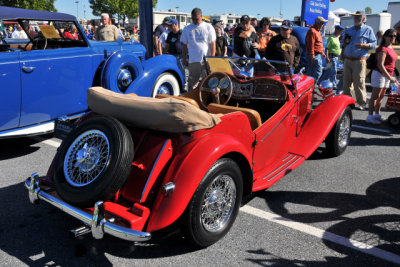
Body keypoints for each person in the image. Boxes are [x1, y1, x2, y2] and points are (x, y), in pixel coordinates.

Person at [341, 11, 377, 110]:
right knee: (346, 82)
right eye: (355, 17)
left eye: (359, 17)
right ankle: (347, 102)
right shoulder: (349, 30)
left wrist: (364, 45)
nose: (356, 19)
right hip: (348, 59)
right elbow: (342, 44)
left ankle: (362, 103)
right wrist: (344, 42)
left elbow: (374, 43)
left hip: (359, 60)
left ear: (364, 19)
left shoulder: (368, 29)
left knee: (359, 82)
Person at [366, 29, 399, 124]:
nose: (393, 38)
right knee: (375, 96)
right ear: (385, 36)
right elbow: (380, 65)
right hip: (380, 74)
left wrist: (389, 76)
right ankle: (370, 116)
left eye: (395, 36)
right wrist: (389, 76)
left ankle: (377, 114)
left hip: (387, 75)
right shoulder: (383, 49)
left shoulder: (391, 48)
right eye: (391, 36)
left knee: (381, 96)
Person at [181, 8, 216, 91]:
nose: (194, 20)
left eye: (196, 19)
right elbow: (184, 45)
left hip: (206, 60)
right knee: (192, 83)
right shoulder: (187, 28)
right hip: (193, 60)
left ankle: (207, 100)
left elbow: (212, 44)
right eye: (193, 19)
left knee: (208, 82)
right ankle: (191, 99)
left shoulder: (208, 27)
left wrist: (212, 60)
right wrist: (184, 58)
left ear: (201, 16)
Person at [306, 16, 327, 84]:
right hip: (314, 55)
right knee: (316, 72)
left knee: (315, 72)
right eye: (322, 23)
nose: (323, 25)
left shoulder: (318, 32)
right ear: (318, 23)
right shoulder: (312, 31)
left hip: (317, 55)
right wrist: (312, 56)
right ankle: (311, 85)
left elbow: (318, 44)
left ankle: (311, 86)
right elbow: (310, 44)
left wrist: (322, 53)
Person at [323, 25, 344, 90]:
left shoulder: (337, 37)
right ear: (336, 30)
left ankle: (320, 82)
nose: (341, 32)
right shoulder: (331, 38)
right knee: (333, 71)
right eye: (340, 30)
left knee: (329, 71)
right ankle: (334, 84)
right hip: (331, 57)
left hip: (335, 57)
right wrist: (327, 57)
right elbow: (327, 48)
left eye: (341, 31)